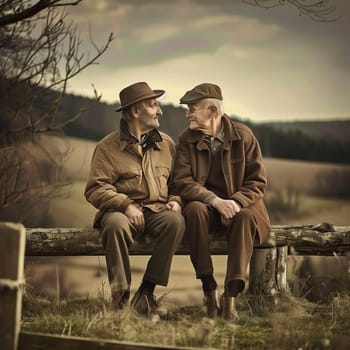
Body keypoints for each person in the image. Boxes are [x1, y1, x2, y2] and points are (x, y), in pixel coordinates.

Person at [84, 82, 185, 317]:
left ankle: (146, 294)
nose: (159, 110)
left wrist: (176, 200)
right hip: (120, 212)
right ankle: (120, 299)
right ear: (136, 111)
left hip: (156, 211)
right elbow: (95, 189)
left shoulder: (166, 144)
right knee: (115, 225)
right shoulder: (107, 148)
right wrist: (126, 205)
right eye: (153, 105)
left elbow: (178, 184)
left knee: (176, 222)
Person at [173, 83, 271, 321]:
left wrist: (235, 203)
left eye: (192, 109)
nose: (187, 115)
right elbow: (183, 181)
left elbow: (257, 182)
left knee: (247, 216)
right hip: (206, 209)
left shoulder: (244, 137)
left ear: (212, 111)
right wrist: (215, 201)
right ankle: (209, 291)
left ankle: (231, 300)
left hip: (241, 210)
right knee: (194, 209)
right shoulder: (186, 139)